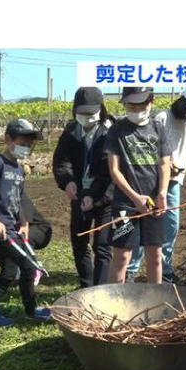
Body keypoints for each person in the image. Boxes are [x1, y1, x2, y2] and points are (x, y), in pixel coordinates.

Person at [126, 86, 186, 283]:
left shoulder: (185, 123)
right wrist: (168, 162)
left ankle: (166, 270)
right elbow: (150, 144)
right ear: (184, 103)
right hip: (155, 179)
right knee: (146, 221)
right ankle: (131, 271)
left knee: (171, 226)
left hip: (174, 182)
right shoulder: (163, 118)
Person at [0, 119, 51, 326]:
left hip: (13, 226)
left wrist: (24, 223)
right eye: (22, 143)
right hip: (0, 229)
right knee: (28, 268)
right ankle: (31, 310)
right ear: (8, 139)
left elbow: (18, 199)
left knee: (9, 272)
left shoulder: (18, 168)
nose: (26, 148)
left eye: (29, 145)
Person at [104, 87, 172, 284]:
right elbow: (114, 171)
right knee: (122, 257)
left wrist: (162, 193)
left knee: (155, 255)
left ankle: (155, 302)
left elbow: (164, 164)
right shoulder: (116, 131)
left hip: (154, 204)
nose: (135, 110)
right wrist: (135, 198)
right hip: (125, 205)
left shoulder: (158, 129)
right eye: (131, 106)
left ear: (151, 102)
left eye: (140, 105)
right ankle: (114, 303)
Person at [53, 87, 114, 288]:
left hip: (105, 196)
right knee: (79, 243)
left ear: (101, 109)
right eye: (82, 113)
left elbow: (109, 170)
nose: (86, 117)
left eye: (91, 113)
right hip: (78, 194)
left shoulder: (111, 132)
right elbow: (62, 160)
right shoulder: (71, 131)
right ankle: (86, 287)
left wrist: (93, 195)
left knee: (102, 246)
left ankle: (101, 290)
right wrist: (67, 181)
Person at [0, 192, 53, 276]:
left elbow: (23, 227)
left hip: (38, 229)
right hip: (17, 232)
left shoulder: (20, 197)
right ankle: (11, 272)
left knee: (17, 244)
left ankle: (32, 269)